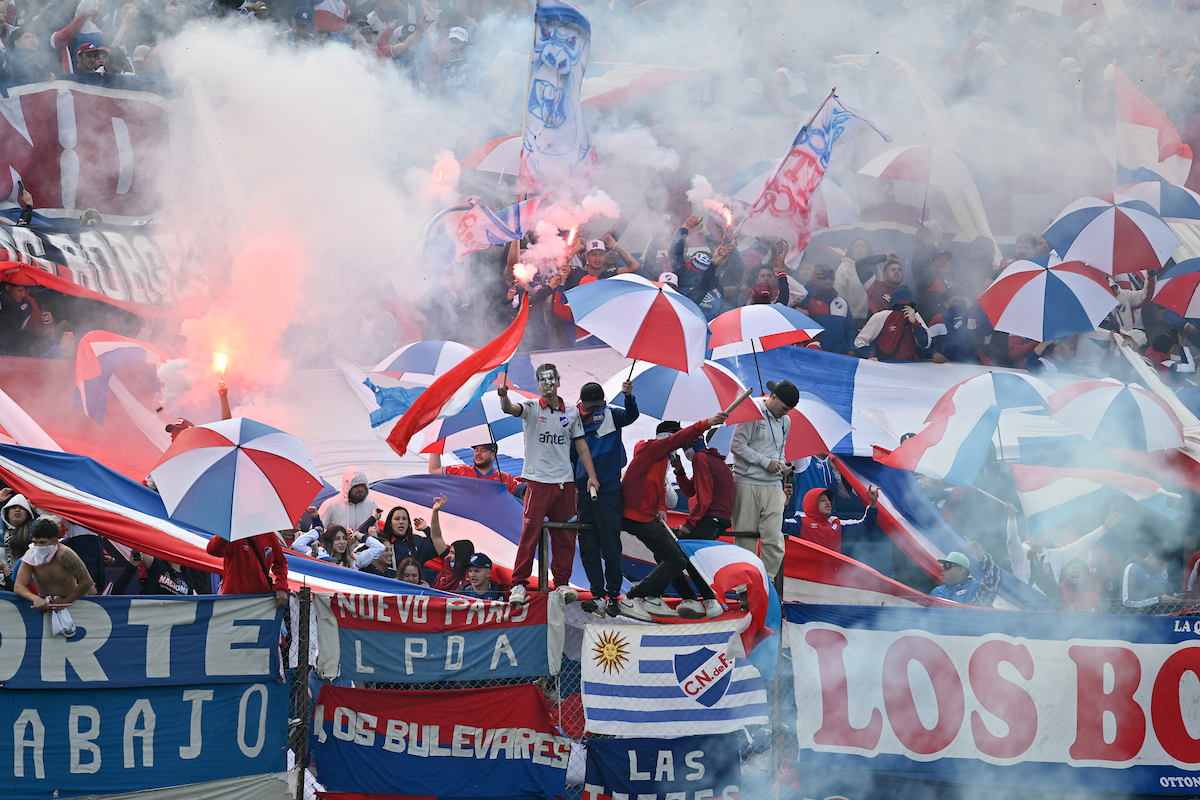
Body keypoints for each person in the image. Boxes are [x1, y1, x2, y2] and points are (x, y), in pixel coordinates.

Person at [498, 363, 598, 606]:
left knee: (564, 535)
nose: (547, 384)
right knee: (530, 534)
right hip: (538, 481)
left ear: (558, 382)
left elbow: (581, 446)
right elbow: (510, 409)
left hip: (565, 482)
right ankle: (519, 584)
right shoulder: (531, 407)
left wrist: (592, 476)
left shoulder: (572, 412)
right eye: (542, 380)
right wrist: (504, 397)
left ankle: (562, 583)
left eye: (551, 379)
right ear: (537, 384)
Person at [619, 415, 729, 621]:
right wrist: (706, 423)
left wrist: (661, 507)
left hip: (644, 516)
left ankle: (658, 597)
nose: (679, 450)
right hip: (638, 516)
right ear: (672, 438)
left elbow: (660, 486)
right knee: (676, 559)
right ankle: (634, 597)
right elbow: (676, 441)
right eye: (678, 443)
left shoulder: (660, 457)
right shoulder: (655, 447)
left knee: (673, 557)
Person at [574, 380, 637, 618]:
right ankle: (597, 595)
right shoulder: (573, 420)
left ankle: (613, 595)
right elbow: (572, 456)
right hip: (583, 492)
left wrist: (628, 396)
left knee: (610, 546)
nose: (592, 409)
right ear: (581, 403)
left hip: (609, 491)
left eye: (596, 405)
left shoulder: (612, 415)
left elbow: (632, 415)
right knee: (588, 547)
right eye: (588, 405)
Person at [730, 380, 796, 581]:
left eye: (789, 410)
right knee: (745, 539)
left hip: (774, 485)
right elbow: (736, 445)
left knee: (774, 541)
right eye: (784, 408)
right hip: (746, 481)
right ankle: (743, 588)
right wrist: (765, 462)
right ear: (773, 397)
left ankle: (764, 583)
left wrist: (782, 464)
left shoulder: (786, 421)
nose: (785, 413)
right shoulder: (752, 412)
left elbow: (780, 449)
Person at [14, 518, 95, 614]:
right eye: (35, 542)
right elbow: (18, 586)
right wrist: (35, 598)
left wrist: (66, 601)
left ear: (55, 541)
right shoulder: (30, 556)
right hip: (45, 605)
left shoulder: (65, 555)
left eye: (43, 542)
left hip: (72, 604)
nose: (38, 546)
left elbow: (86, 582)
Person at [671, 434, 735, 539]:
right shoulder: (710, 458)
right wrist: (679, 470)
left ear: (689, 445)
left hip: (712, 518)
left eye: (683, 447)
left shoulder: (700, 458)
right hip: (720, 518)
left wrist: (689, 524)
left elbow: (704, 497)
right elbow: (689, 491)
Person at [782, 486, 878, 553]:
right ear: (812, 503)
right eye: (822, 500)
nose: (828, 503)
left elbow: (865, 526)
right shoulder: (800, 522)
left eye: (829, 500)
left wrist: (873, 503)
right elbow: (779, 526)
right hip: (805, 578)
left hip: (831, 577)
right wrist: (783, 505)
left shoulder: (836, 523)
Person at [206, 532, 289, 606]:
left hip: (260, 600)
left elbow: (281, 562)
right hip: (233, 599)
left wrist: (282, 587)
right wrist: (226, 531)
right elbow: (212, 550)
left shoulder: (269, 536)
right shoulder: (233, 534)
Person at [855, 286, 935, 361]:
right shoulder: (882, 317)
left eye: (908, 305)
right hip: (886, 366)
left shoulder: (915, 316)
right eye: (901, 305)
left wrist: (915, 323)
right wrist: (869, 357)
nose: (904, 308)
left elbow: (926, 343)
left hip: (910, 366)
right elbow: (860, 341)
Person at [372, 504, 447, 581]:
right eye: (397, 519)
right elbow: (359, 539)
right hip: (384, 586)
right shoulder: (381, 540)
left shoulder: (418, 542)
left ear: (408, 524)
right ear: (390, 523)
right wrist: (373, 518)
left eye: (404, 519)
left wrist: (426, 529)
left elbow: (439, 547)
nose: (401, 522)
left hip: (411, 589)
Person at [804, 264, 858, 356]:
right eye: (824, 278)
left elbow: (850, 329)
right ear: (817, 280)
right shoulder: (809, 300)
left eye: (831, 278)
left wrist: (851, 349)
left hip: (840, 355)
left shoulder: (843, 303)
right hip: (817, 354)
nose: (827, 281)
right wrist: (810, 284)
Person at [429, 443, 521, 495]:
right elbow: (434, 470)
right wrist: (436, 444)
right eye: (476, 450)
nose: (478, 453)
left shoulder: (504, 478)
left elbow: (526, 495)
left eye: (483, 451)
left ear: (493, 456)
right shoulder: (462, 470)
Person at [0, 274, 55, 356]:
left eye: (25, 290)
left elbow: (40, 328)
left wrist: (49, 322)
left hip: (12, 352)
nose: (23, 294)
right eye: (20, 290)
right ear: (8, 288)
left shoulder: (27, 304)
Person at [1122, 546, 1180, 613]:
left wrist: (1173, 596)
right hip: (1137, 620)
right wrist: (1158, 601)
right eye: (1160, 564)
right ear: (1150, 558)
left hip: (1161, 617)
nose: (1163, 568)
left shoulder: (1164, 570)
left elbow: (1167, 592)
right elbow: (1126, 603)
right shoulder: (1132, 569)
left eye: (1166, 565)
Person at [319, 466, 375, 531]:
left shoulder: (372, 505)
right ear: (347, 486)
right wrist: (338, 537)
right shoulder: (330, 505)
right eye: (356, 486)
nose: (360, 489)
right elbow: (317, 530)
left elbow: (375, 530)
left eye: (363, 485)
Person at [2, 491, 35, 585]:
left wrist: (38, 511)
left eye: (22, 508)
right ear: (6, 512)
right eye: (13, 507)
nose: (17, 510)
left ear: (28, 513)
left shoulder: (35, 532)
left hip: (25, 584)